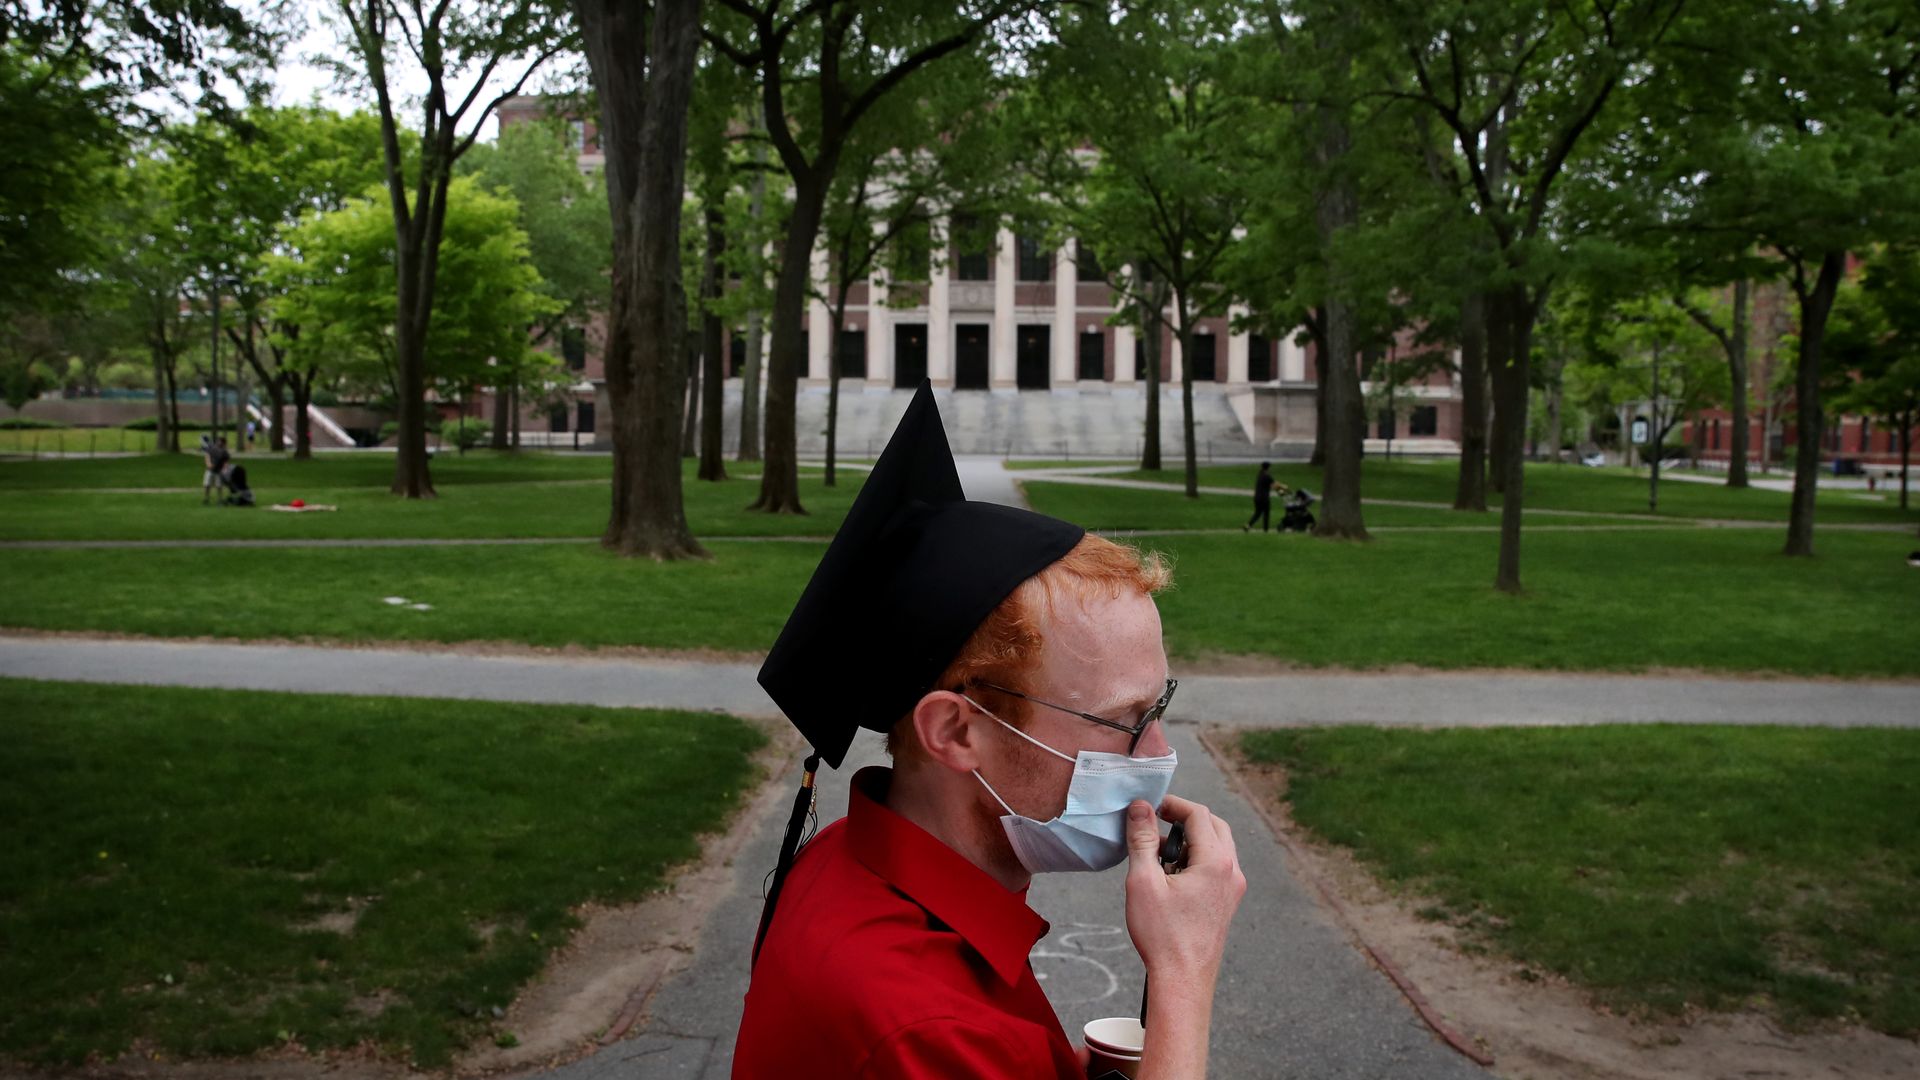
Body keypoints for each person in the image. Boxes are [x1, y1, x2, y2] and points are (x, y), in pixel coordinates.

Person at [736, 382, 1246, 1079]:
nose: (1159, 755)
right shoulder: (927, 1029)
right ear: (955, 731)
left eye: (1158, 710)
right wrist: (1185, 967)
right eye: (1125, 720)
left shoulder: (844, 856)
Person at [1243, 462, 1280, 533]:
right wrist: (1283, 488)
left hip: (1257, 497)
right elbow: (1275, 485)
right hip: (1264, 498)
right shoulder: (1267, 476)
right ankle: (1265, 530)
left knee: (1258, 513)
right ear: (1268, 468)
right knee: (1266, 513)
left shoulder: (1260, 475)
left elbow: (1268, 485)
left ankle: (1248, 525)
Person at [200, 436, 230, 505]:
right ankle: (206, 499)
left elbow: (226, 462)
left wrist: (224, 470)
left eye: (220, 442)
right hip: (209, 470)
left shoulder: (225, 452)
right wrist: (208, 463)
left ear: (223, 443)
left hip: (218, 471)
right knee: (207, 485)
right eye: (218, 441)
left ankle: (220, 499)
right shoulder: (212, 448)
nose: (219, 443)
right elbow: (207, 455)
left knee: (219, 486)